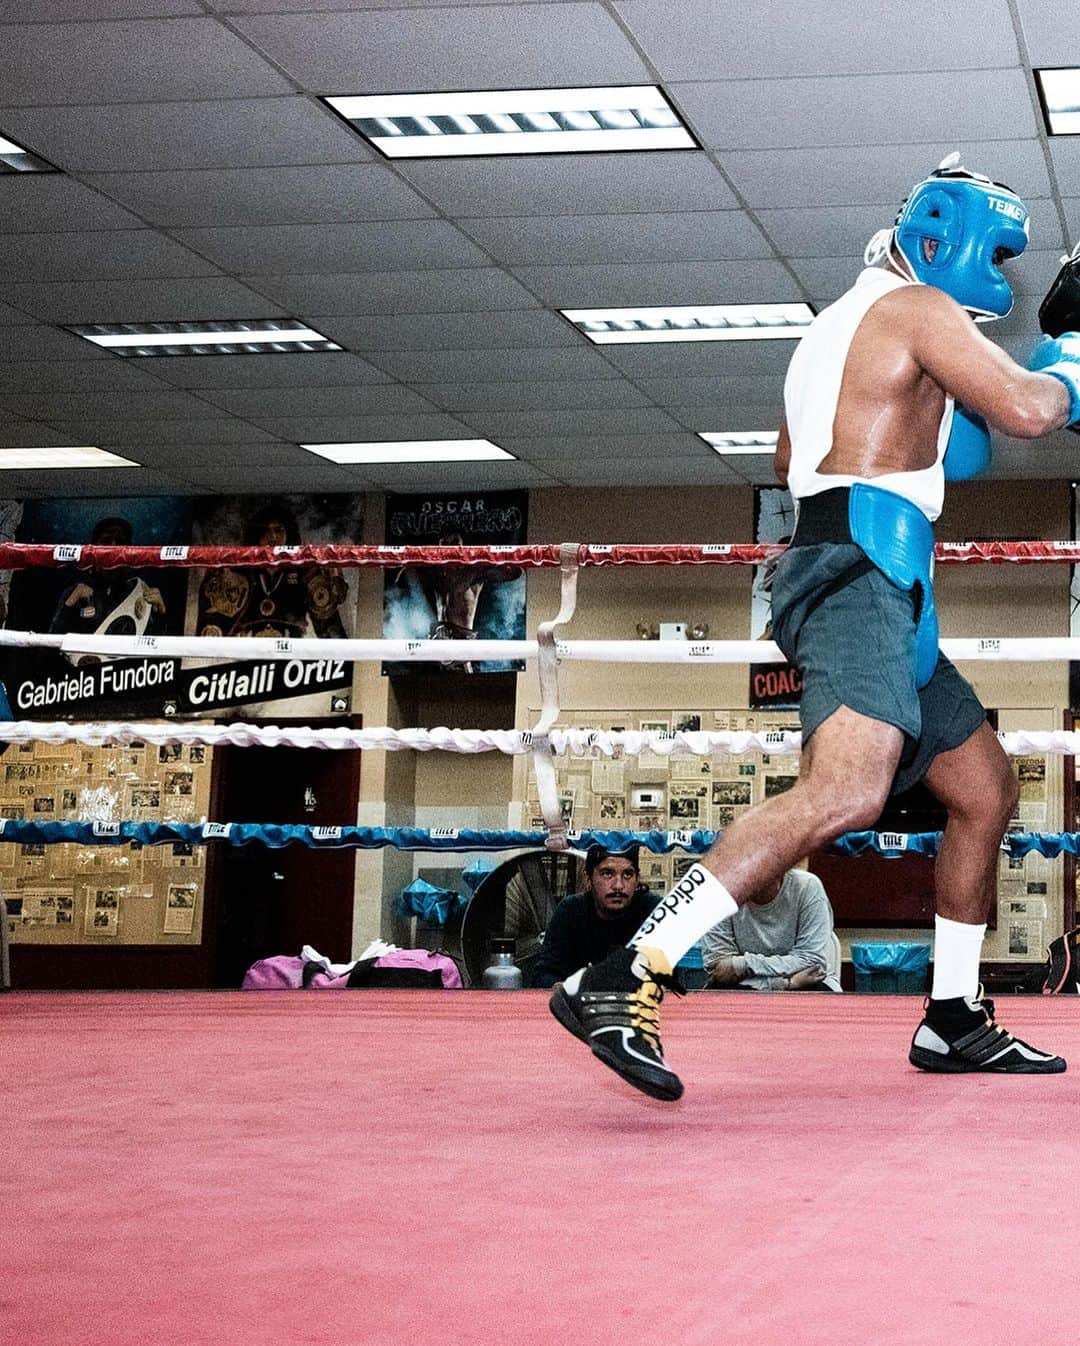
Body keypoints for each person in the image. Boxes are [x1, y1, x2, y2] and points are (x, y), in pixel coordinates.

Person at [551, 154, 1080, 1100]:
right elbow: (1037, 411)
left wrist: (932, 419)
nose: (1001, 273)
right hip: (858, 576)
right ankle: (624, 972)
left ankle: (953, 1016)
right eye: (994, 251)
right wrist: (1072, 357)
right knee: (845, 792)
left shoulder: (836, 326)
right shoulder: (921, 310)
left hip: (875, 575)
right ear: (936, 241)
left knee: (985, 786)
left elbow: (795, 453)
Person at [528, 845, 655, 989]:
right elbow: (543, 974)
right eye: (607, 874)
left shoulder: (653, 911)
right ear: (588, 879)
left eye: (628, 874)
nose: (618, 886)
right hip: (580, 1007)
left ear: (637, 880)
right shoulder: (571, 910)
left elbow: (672, 975)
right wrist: (560, 987)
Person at [700, 869, 841, 993]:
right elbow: (719, 971)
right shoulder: (717, 893)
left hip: (808, 985)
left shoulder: (807, 886)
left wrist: (742, 965)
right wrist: (784, 984)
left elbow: (812, 963)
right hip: (745, 987)